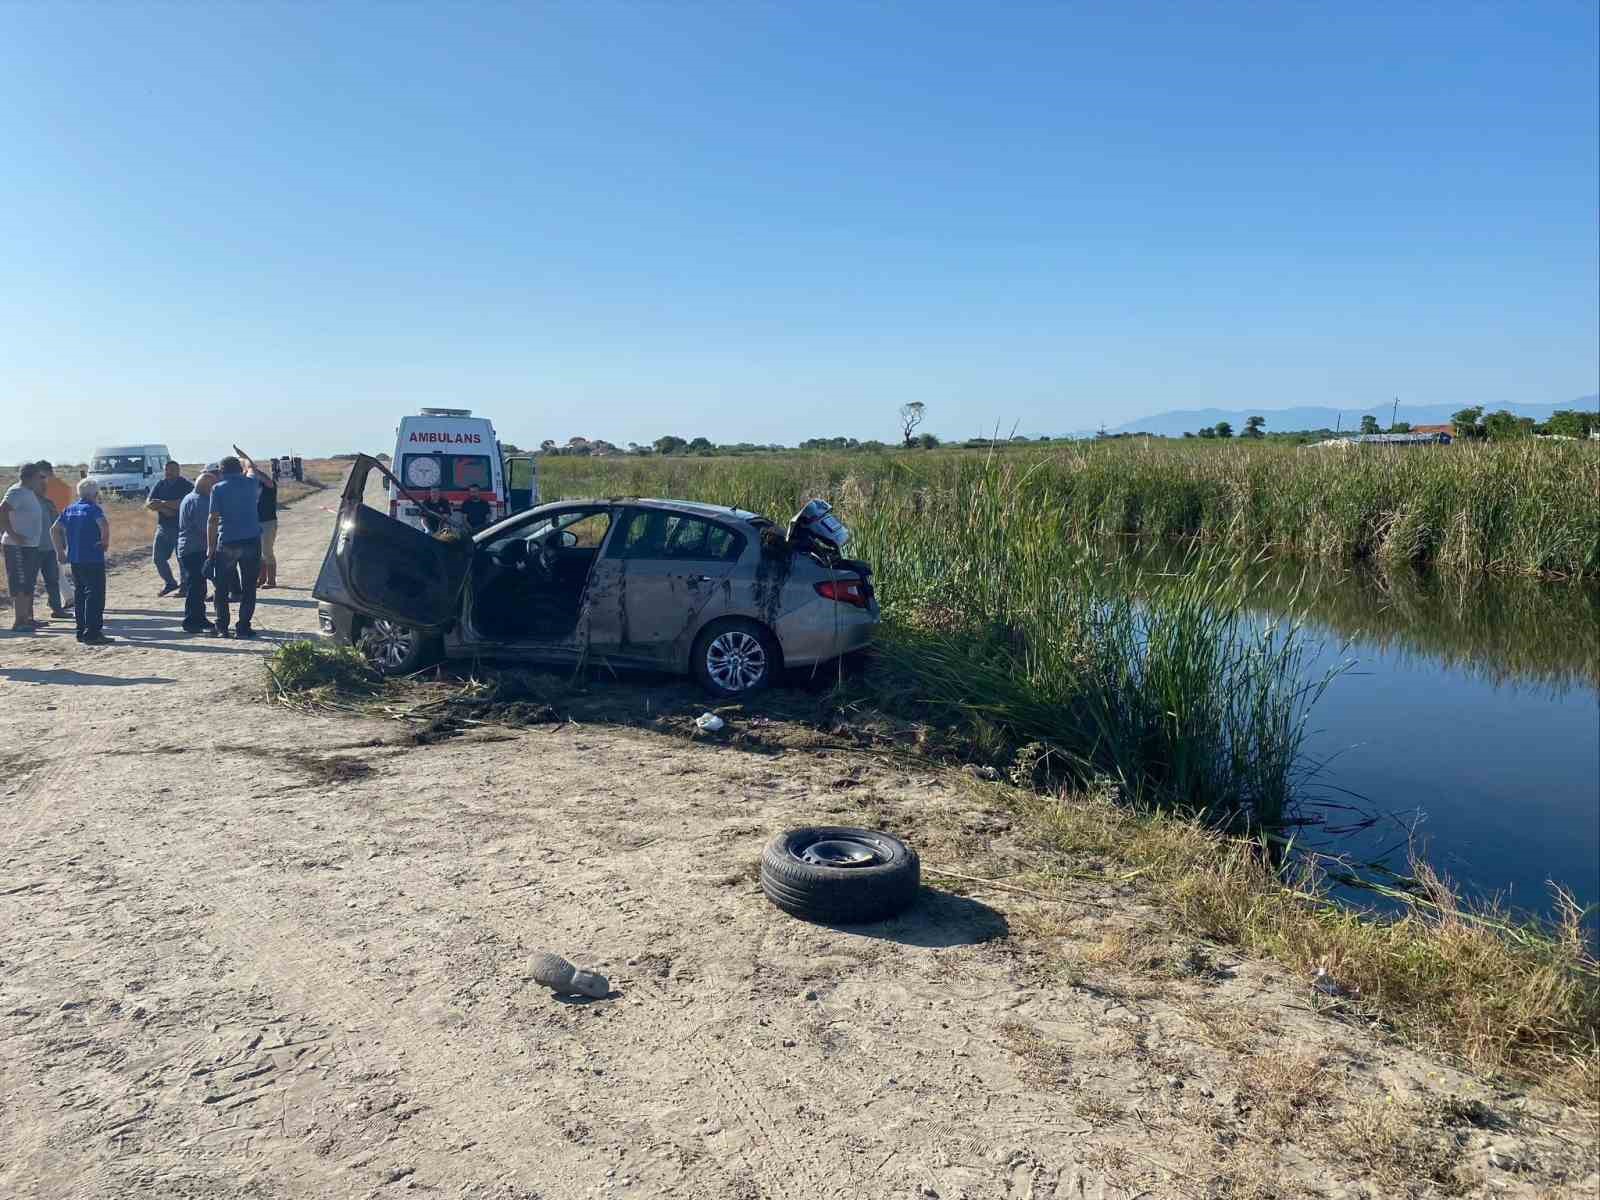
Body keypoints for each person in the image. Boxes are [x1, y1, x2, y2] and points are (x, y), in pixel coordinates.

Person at [205, 455, 264, 639]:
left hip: (228, 541)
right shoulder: (251, 483)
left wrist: (210, 547)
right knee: (249, 587)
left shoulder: (218, 489)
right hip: (252, 540)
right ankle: (244, 627)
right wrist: (245, 457)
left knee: (221, 587)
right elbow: (252, 467)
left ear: (221, 472)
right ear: (239, 469)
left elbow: (213, 520)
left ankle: (222, 626)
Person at [50, 478, 114, 644]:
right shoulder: (93, 509)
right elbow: (104, 524)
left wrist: (59, 551)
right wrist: (105, 541)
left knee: (80, 595)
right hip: (93, 558)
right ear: (95, 493)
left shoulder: (70, 509)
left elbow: (54, 529)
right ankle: (93, 633)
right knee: (95, 596)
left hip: (75, 559)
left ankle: (80, 631)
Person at [2, 462, 48, 632]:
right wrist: (13, 535)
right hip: (16, 546)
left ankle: (28, 619)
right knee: (19, 583)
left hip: (30, 545)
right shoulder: (16, 492)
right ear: (30, 477)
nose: (42, 481)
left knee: (28, 583)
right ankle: (19, 621)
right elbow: (2, 511)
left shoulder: (29, 492)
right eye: (39, 477)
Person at [145, 459, 193, 596]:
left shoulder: (186, 485)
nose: (168, 472)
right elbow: (149, 503)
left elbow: (182, 504)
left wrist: (162, 504)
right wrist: (166, 508)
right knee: (158, 558)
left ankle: (185, 586)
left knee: (182, 559)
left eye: (171, 470)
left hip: (181, 527)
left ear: (178, 470)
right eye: (166, 470)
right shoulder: (160, 484)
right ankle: (170, 583)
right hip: (163, 527)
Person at [176, 471, 216, 633]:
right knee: (195, 586)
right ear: (206, 486)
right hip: (195, 549)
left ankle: (199, 618)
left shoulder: (190, 497)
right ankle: (191, 621)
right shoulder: (200, 502)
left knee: (199, 586)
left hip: (189, 548)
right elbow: (204, 528)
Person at [32, 461, 71, 618]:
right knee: (55, 573)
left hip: (48, 534)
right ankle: (59, 600)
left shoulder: (47, 487)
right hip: (58, 530)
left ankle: (67, 597)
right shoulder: (63, 486)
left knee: (54, 573)